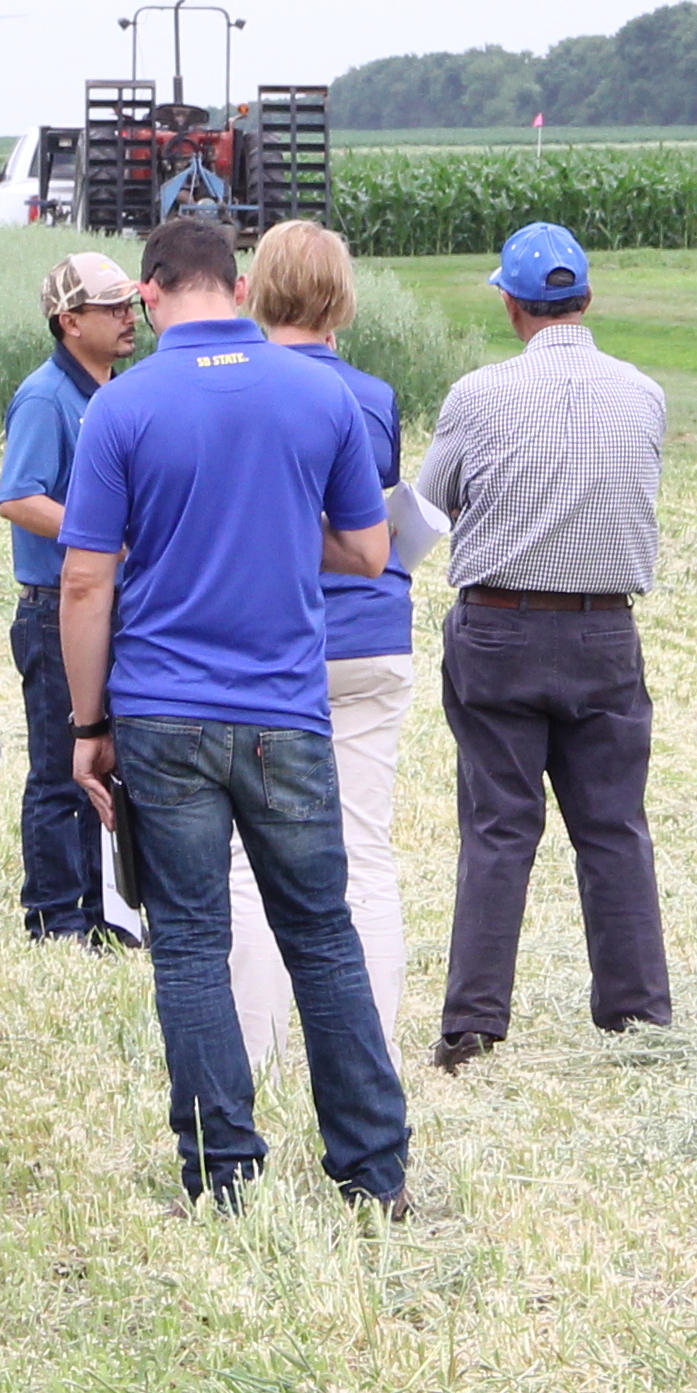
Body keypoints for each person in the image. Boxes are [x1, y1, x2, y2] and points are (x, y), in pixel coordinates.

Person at [59, 215, 413, 1208]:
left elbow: (88, 583)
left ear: (156, 289)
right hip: (286, 711)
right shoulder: (319, 395)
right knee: (323, 935)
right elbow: (367, 551)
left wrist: (90, 727)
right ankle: (373, 1171)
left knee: (191, 944)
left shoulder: (124, 408)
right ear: (238, 283)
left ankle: (224, 1174)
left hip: (164, 710)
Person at [419, 221, 678, 1065]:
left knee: (500, 827)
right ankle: (637, 1015)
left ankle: (475, 1024)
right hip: (606, 628)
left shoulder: (478, 395)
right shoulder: (642, 392)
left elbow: (431, 505)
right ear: (586, 298)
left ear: (511, 303)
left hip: (500, 625)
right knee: (613, 827)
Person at [229, 221, 417, 1073]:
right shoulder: (371, 398)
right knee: (365, 846)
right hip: (370, 633)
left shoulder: (233, 386)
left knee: (248, 855)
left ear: (256, 287)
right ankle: (367, 1047)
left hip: (270, 642)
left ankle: (259, 1050)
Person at [0, 253, 145, 944]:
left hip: (109, 603)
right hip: (56, 604)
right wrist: (100, 535)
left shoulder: (120, 391)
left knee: (112, 761)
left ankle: (108, 908)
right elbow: (18, 498)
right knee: (61, 767)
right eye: (111, 308)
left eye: (131, 305)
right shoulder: (44, 398)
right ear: (69, 321)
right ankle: (57, 914)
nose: (129, 319)